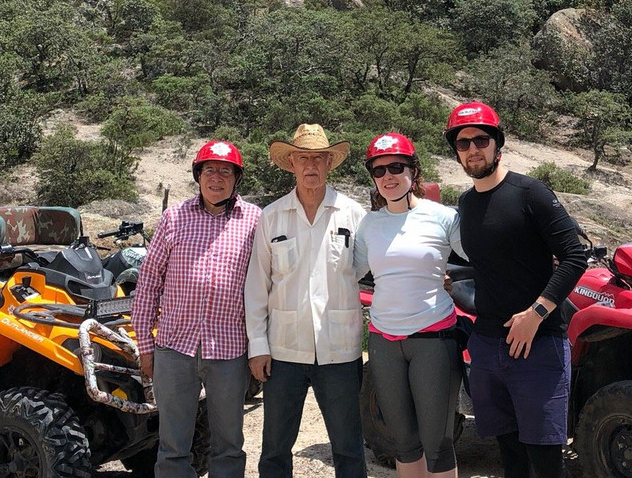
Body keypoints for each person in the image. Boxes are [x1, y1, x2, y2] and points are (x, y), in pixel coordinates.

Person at [445, 102, 586, 478]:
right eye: (463, 143)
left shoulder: (530, 193)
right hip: (488, 344)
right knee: (509, 455)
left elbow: (575, 255)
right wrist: (451, 280)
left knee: (545, 458)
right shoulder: (466, 203)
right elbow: (490, 260)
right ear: (457, 152)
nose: (473, 149)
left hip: (537, 344)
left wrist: (535, 314)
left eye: (481, 139)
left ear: (497, 143)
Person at [244, 123, 368, 478]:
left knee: (348, 447)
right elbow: (257, 285)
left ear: (330, 163)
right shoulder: (272, 216)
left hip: (340, 350)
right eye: (303, 158)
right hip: (283, 352)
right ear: (292, 164)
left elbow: (365, 270)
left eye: (318, 158)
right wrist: (258, 346)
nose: (311, 165)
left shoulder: (352, 214)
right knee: (275, 449)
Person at [132, 140, 262, 478]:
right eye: (209, 170)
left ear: (236, 179)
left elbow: (267, 285)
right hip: (175, 348)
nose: (216, 178)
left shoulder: (254, 220)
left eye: (225, 171)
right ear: (198, 175)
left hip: (230, 350)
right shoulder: (174, 218)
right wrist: (145, 344)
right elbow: (148, 284)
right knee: (173, 447)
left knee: (228, 445)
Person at [353, 132, 465, 478]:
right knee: (403, 442)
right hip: (384, 342)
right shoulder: (369, 223)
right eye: (378, 170)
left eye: (396, 167)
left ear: (413, 171)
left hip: (433, 339)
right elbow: (347, 271)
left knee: (438, 444)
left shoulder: (444, 217)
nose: (387, 176)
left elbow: (480, 257)